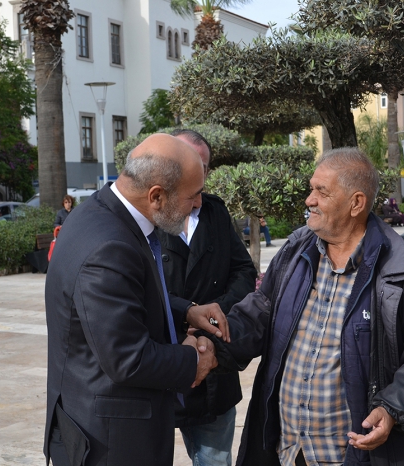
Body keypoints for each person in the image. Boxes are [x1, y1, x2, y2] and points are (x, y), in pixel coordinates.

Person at [206, 148, 404, 466]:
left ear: (356, 203)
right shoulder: (296, 252)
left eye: (321, 192)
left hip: (353, 455)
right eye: (311, 189)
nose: (309, 200)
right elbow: (260, 311)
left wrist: (393, 408)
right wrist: (213, 345)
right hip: (289, 450)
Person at [44, 133, 230, 466]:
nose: (198, 204)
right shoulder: (109, 246)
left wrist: (186, 311)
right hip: (111, 443)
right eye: (192, 196)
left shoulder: (102, 214)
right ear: (156, 196)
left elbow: (124, 296)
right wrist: (193, 358)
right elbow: (128, 358)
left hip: (97, 423)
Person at [155, 129, 258, 466]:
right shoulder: (148, 217)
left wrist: (213, 316)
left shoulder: (214, 211)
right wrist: (186, 313)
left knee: (214, 459)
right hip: (162, 358)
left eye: (201, 167)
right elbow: (139, 289)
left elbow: (243, 270)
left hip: (213, 359)